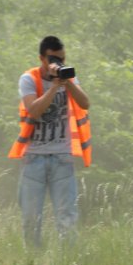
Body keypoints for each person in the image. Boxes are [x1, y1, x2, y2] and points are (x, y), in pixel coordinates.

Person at [8, 35, 92, 248]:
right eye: (53, 59)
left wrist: (67, 82)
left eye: (61, 58)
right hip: (34, 157)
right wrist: (54, 87)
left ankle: (68, 261)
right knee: (30, 217)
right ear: (42, 58)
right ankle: (33, 261)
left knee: (67, 217)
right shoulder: (29, 79)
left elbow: (85, 103)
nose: (57, 63)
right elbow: (34, 110)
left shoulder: (68, 78)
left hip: (62, 157)